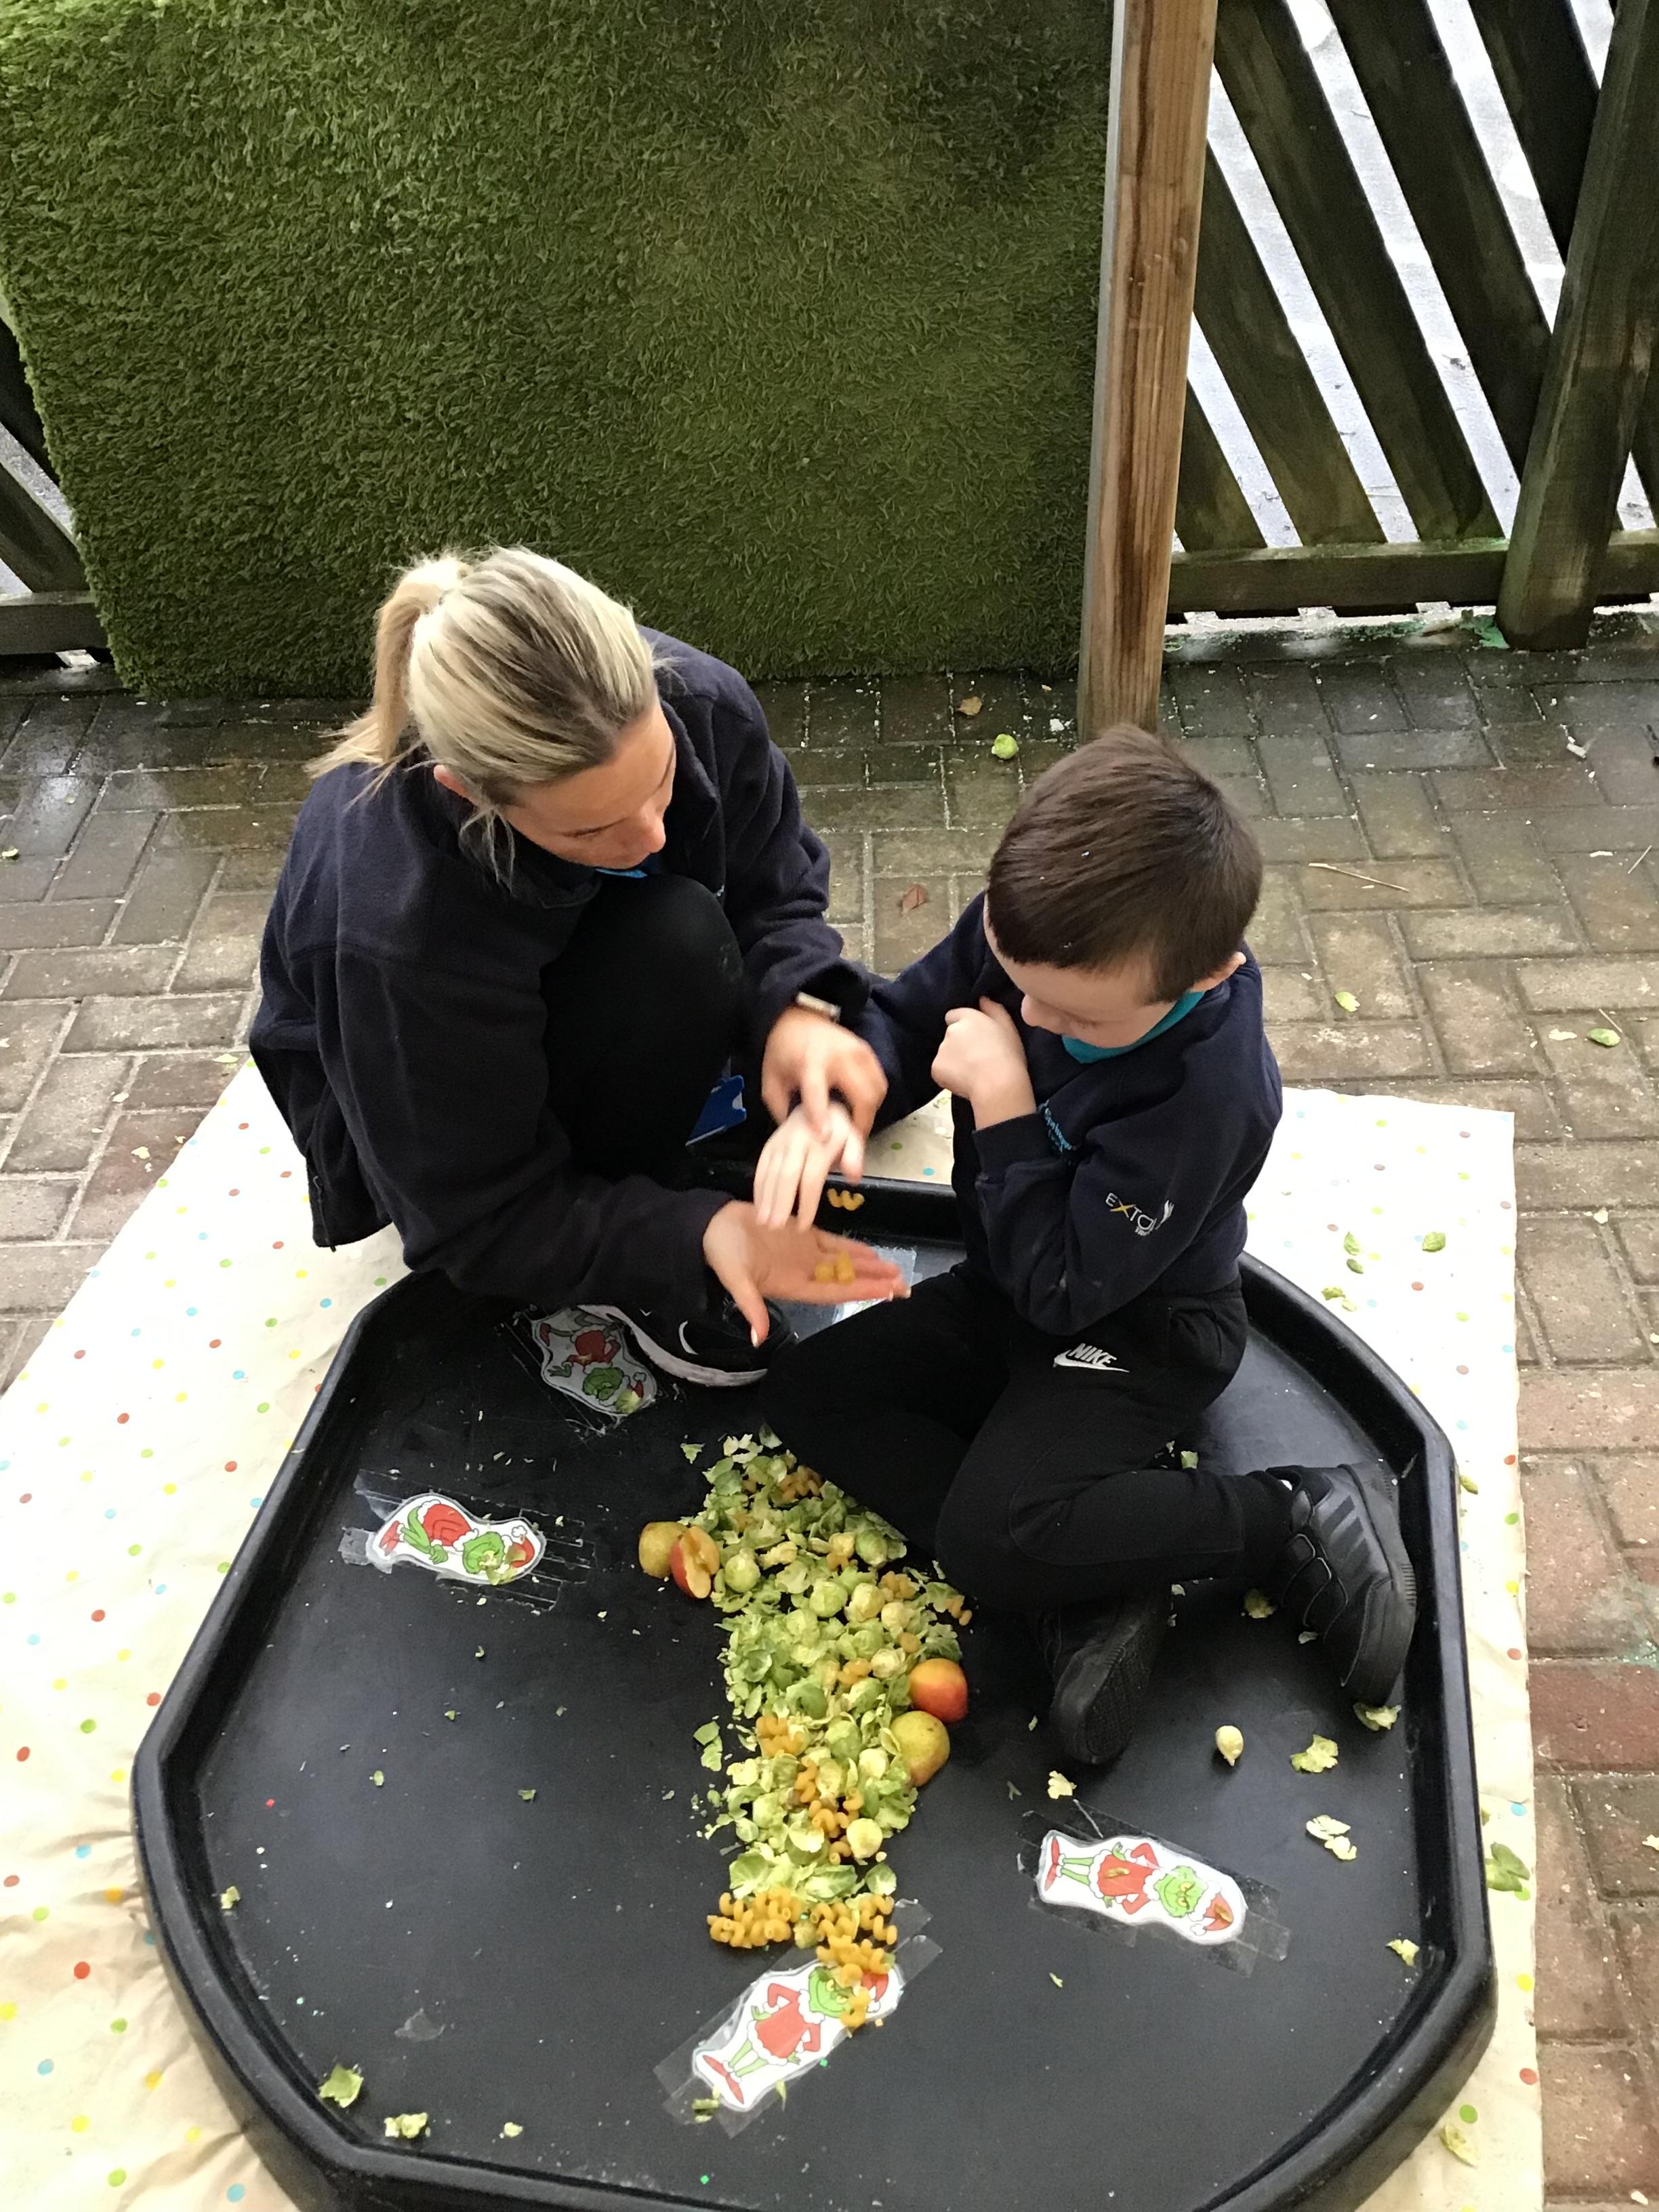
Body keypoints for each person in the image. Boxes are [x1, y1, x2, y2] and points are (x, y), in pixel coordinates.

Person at [754, 729, 1416, 1763]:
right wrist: (839, 1102)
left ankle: (1286, 1517)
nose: (1029, 1015)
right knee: (809, 1394)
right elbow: (909, 1022)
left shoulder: (1209, 1095)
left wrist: (1007, 1104)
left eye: (1074, 1018)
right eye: (1017, 981)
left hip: (1140, 1328)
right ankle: (1092, 1576)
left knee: (992, 1538)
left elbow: (1066, 1291)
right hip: (1007, 1287)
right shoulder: (1038, 935)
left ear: (1207, 974)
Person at [251, 546, 906, 1386]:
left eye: (662, 781)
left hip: (588, 979)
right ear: (467, 791)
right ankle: (628, 1232)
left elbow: (773, 881)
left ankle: (689, 1111)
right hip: (417, 1093)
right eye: (589, 830)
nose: (652, 835)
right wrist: (695, 1236)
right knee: (678, 936)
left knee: (858, 1055)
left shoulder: (699, 698)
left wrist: (798, 1007)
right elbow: (473, 1220)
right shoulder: (395, 930)